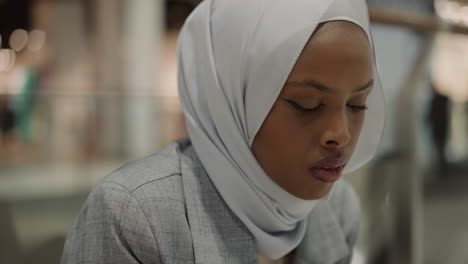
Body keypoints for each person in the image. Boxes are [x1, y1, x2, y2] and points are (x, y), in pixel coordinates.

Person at [61, 0, 385, 263]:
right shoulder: (135, 216)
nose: (341, 134)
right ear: (232, 100)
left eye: (357, 104)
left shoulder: (337, 208)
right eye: (307, 104)